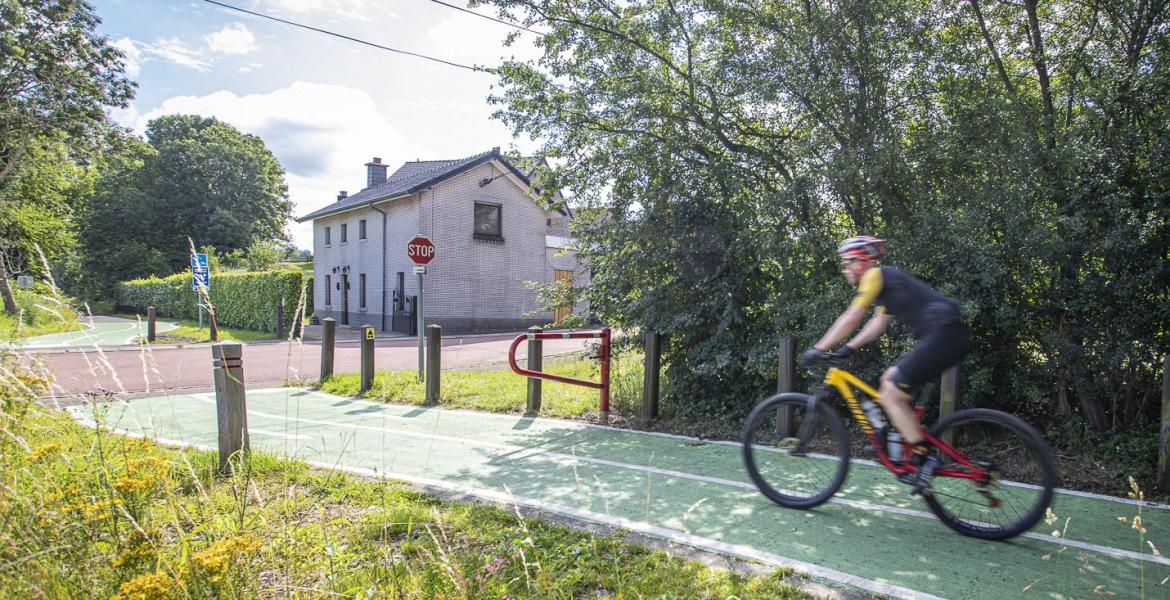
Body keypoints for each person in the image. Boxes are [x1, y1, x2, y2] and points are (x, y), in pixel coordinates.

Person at [801, 235, 971, 495]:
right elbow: (877, 323)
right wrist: (848, 348)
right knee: (888, 379)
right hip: (946, 336)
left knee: (890, 393)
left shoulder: (874, 275)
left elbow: (853, 315)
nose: (845, 269)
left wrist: (819, 348)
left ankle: (924, 457)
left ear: (863, 260)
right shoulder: (886, 285)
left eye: (848, 262)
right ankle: (904, 441)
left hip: (943, 336)